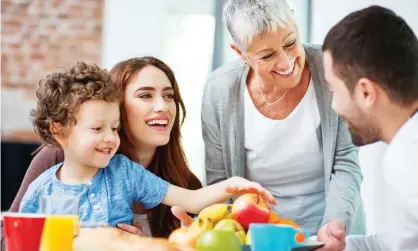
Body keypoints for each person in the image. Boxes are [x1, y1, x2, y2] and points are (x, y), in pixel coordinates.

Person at [18, 61, 277, 228]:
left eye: (114, 128)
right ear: (59, 131)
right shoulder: (45, 180)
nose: (109, 137)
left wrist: (235, 184)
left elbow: (193, 199)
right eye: (145, 95)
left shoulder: (124, 172)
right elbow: (14, 238)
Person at [199, 0, 366, 250]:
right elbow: (220, 182)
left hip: (329, 232)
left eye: (290, 43)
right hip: (260, 238)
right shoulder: (219, 90)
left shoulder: (332, 68)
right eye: (267, 55)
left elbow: (345, 161)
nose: (286, 63)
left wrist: (334, 225)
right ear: (240, 53)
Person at [1, 57, 201, 241]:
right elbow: (9, 236)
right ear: (117, 104)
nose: (163, 106)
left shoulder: (186, 182)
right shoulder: (57, 157)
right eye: (146, 95)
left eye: (169, 96)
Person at [322, 5, 418, 251]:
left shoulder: (407, 160)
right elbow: (400, 243)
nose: (333, 106)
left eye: (333, 90)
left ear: (366, 92)